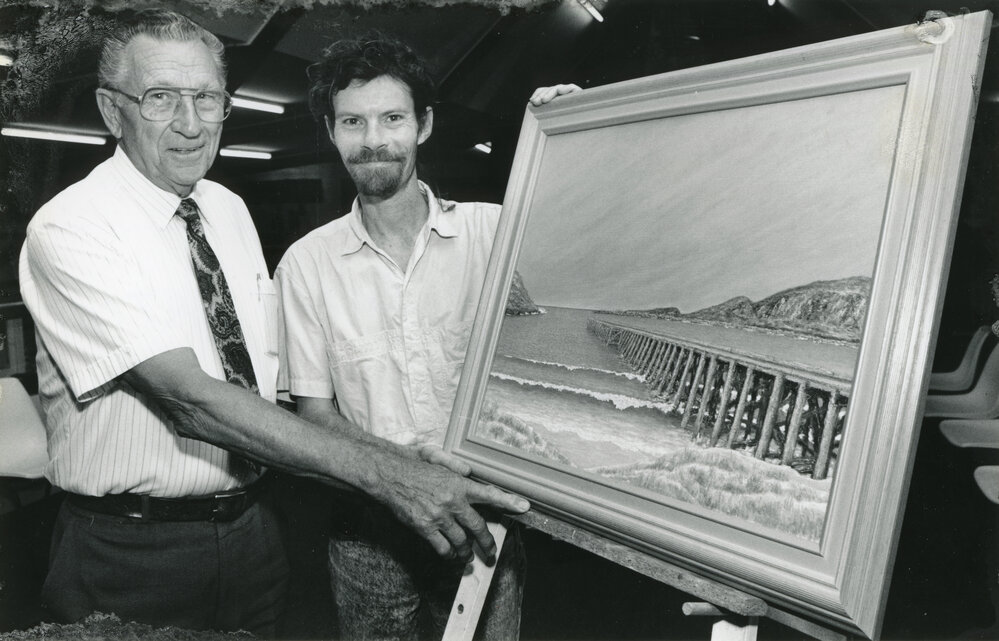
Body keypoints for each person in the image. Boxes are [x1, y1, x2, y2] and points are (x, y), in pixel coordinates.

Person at [18, 10, 529, 636]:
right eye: (160, 98)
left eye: (207, 98)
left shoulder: (227, 210)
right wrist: (396, 475)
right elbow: (191, 401)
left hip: (254, 534)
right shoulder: (73, 227)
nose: (190, 123)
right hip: (134, 550)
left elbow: (259, 387)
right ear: (111, 109)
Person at [275, 34, 579, 640]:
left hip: (482, 524)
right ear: (332, 133)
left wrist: (572, 138)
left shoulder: (495, 235)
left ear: (425, 125)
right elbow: (314, 414)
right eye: (352, 122)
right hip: (365, 532)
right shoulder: (305, 264)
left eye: (392, 118)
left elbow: (583, 250)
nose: (373, 139)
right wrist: (405, 478)